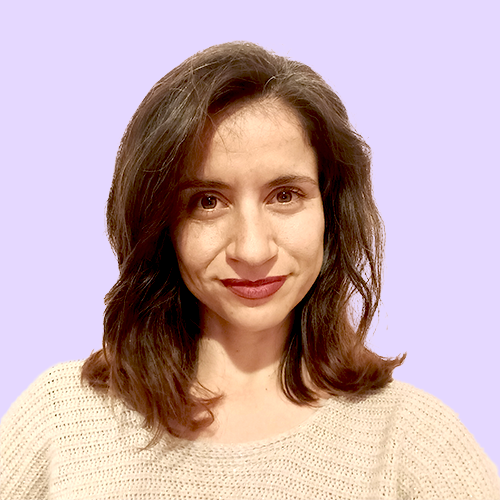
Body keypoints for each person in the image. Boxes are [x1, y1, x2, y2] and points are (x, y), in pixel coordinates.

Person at [1, 41, 499, 500]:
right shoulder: (59, 423)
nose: (253, 249)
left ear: (330, 210)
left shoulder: (413, 442)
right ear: (158, 224)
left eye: (285, 195)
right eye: (208, 201)